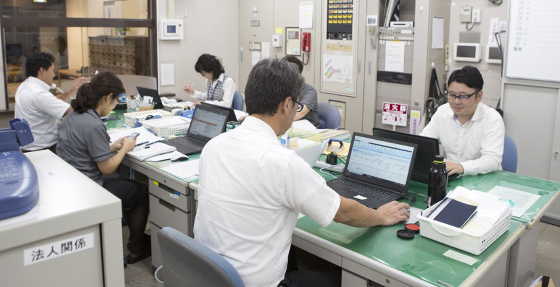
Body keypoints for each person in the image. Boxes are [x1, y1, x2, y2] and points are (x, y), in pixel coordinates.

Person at [194, 58, 408, 287]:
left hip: (209, 275)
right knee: (339, 278)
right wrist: (380, 216)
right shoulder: (282, 163)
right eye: (296, 105)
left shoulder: (214, 146)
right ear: (287, 104)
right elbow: (343, 213)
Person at [56, 71, 151, 264]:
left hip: (71, 182)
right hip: (89, 189)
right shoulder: (94, 124)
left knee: (127, 186)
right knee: (139, 191)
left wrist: (111, 146)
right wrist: (125, 148)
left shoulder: (73, 114)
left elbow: (82, 148)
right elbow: (107, 168)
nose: (116, 104)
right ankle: (136, 248)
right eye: (116, 100)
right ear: (108, 98)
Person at [421, 66, 505, 176]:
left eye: (463, 96)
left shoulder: (492, 118)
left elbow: (492, 160)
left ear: (479, 96)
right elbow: (424, 142)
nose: (456, 101)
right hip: (452, 177)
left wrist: (462, 167)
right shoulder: (442, 112)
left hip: (484, 179)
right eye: (451, 95)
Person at [15, 52, 87, 153]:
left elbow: (51, 102)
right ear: (42, 70)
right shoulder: (38, 94)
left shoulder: (25, 85)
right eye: (52, 70)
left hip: (29, 147)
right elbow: (71, 112)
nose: (53, 74)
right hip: (44, 149)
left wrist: (71, 91)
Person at [282, 55, 319, 128]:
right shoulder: (282, 89)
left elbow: (299, 113)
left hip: (307, 132)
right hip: (287, 128)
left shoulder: (309, 91)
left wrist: (276, 122)